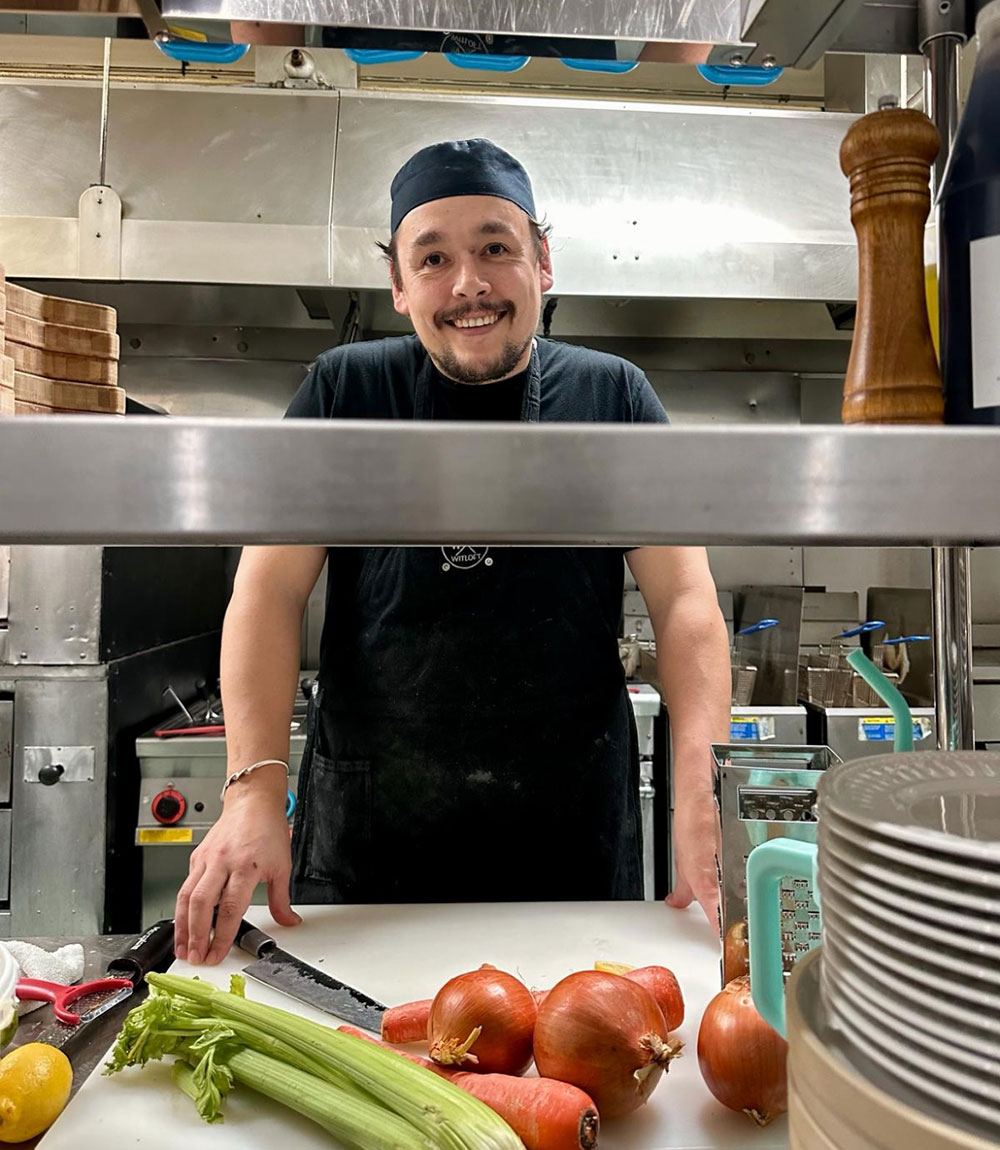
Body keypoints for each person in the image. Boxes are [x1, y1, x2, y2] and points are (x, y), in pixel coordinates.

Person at [174, 139, 731, 966]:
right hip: (375, 825)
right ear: (399, 287)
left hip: (567, 823)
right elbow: (266, 593)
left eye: (496, 248)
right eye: (433, 258)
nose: (469, 283)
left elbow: (685, 602)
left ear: (543, 262)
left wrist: (699, 791)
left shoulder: (613, 395)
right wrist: (253, 789)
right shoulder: (344, 392)